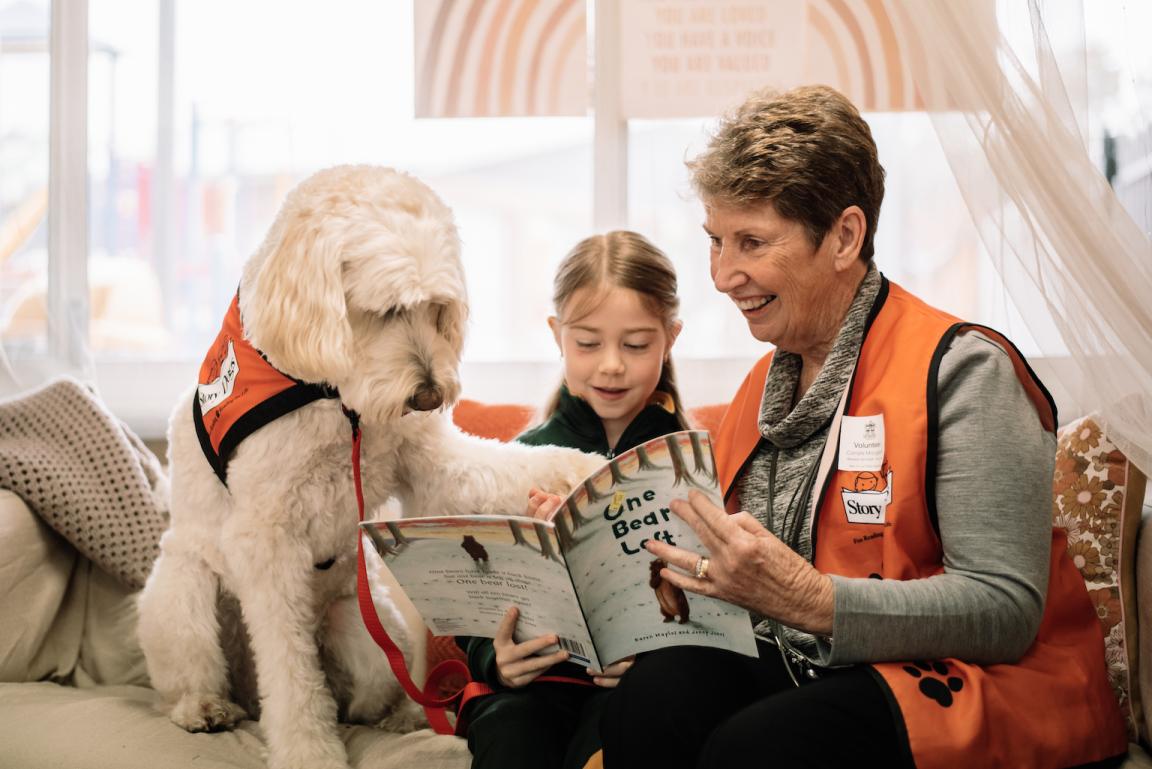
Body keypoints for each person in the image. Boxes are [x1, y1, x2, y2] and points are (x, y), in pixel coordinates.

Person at [598, 85, 1128, 769]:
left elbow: (1004, 608)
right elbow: (749, 589)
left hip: (988, 688)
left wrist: (811, 598)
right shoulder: (760, 389)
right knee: (651, 699)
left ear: (845, 235)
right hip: (829, 664)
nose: (724, 275)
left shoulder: (966, 370)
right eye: (716, 241)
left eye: (752, 241)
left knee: (755, 750)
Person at [457, 230, 690, 769]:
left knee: (631, 725)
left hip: (637, 686)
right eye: (587, 343)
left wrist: (652, 656)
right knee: (510, 730)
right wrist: (497, 660)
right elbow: (476, 601)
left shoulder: (688, 462)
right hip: (534, 684)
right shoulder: (521, 460)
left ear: (670, 338)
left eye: (635, 345)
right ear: (556, 334)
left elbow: (717, 603)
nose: (611, 365)